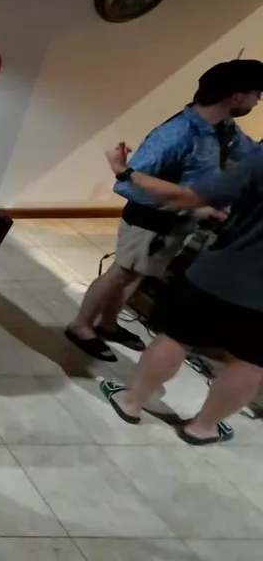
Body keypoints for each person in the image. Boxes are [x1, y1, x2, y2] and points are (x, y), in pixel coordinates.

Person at [65, 60, 263, 362]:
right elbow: (128, 185)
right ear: (235, 96)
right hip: (149, 221)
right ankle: (80, 325)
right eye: (256, 94)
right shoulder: (177, 133)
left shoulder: (223, 130)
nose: (258, 100)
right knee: (121, 273)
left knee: (137, 276)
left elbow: (252, 154)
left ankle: (107, 323)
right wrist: (194, 210)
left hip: (175, 224)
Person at [98, 141, 263, 445]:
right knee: (251, 361)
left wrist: (125, 172)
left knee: (175, 337)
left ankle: (131, 402)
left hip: (218, 272)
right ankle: (204, 427)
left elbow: (189, 196)